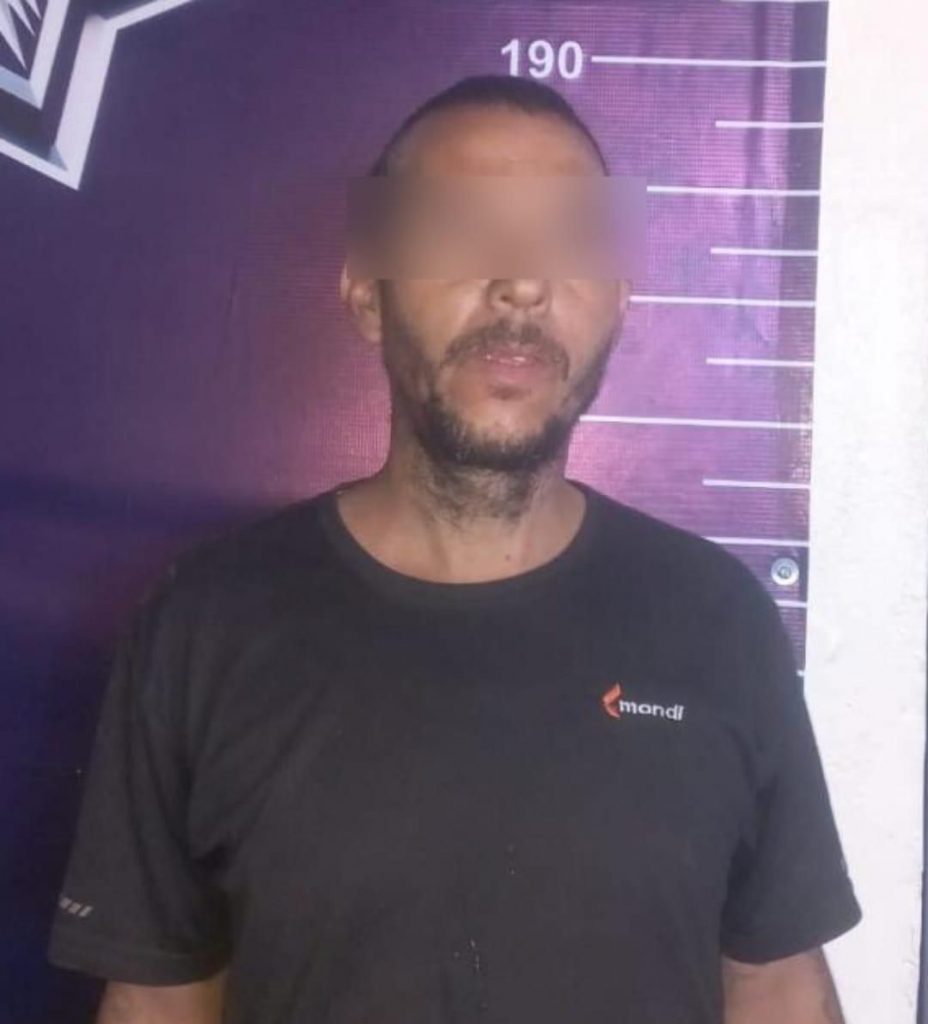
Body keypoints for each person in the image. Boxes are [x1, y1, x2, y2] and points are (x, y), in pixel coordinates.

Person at [47, 75, 862, 1024]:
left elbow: (777, 988)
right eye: (464, 228)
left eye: (571, 238)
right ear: (366, 290)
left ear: (619, 299)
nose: (522, 281)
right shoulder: (205, 622)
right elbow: (157, 1005)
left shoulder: (717, 619)